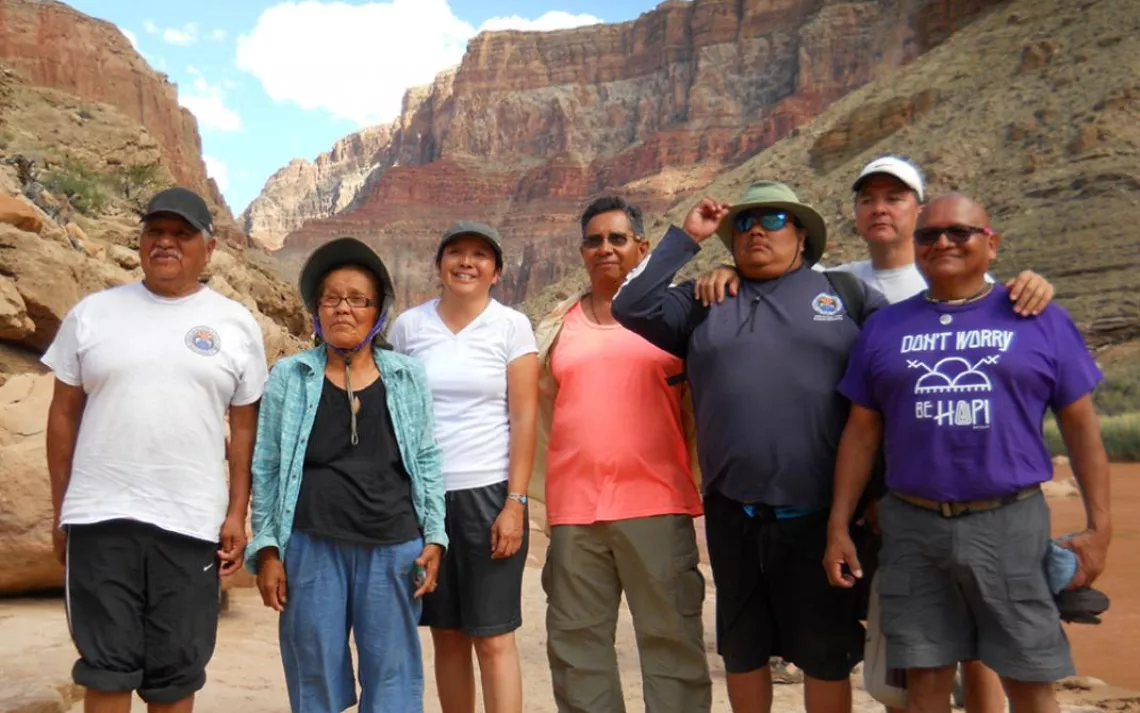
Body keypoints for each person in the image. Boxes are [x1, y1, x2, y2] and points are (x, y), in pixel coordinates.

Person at [691, 155, 1057, 713]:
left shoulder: (961, 276)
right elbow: (857, 404)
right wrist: (729, 273)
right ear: (856, 214)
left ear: (919, 209)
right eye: (868, 200)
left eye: (896, 199)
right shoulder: (846, 284)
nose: (881, 210)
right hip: (880, 504)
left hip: (954, 499)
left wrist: (1032, 284)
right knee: (907, 645)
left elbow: (992, 315)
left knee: (980, 648)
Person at [823, 193, 1112, 713]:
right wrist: (839, 524)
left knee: (1029, 676)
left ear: (992, 244)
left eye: (959, 232)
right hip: (912, 526)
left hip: (1010, 523)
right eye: (929, 235)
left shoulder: (1037, 315)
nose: (942, 243)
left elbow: (1081, 425)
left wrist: (1100, 527)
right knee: (925, 678)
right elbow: (861, 433)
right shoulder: (885, 327)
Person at [612, 180, 886, 713]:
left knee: (825, 654)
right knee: (743, 651)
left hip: (823, 515)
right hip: (733, 513)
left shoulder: (844, 296)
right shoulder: (704, 299)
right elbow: (631, 305)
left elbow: (894, 374)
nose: (756, 229)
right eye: (744, 222)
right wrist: (689, 238)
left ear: (802, 236)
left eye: (774, 220)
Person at [42, 186, 268, 713]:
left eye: (182, 234)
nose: (166, 243)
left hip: (191, 522)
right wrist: (62, 511)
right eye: (155, 232)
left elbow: (244, 432)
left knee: (175, 676)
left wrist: (237, 513)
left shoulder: (235, 324)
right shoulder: (94, 313)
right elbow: (63, 416)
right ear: (141, 242)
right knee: (106, 671)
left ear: (208, 248)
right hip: (100, 518)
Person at [244, 236, 447, 713]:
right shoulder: (290, 376)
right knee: (313, 670)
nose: (343, 309)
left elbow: (427, 457)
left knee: (392, 673)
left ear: (378, 312)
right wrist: (268, 549)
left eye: (359, 300)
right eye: (332, 298)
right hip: (312, 546)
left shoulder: (405, 376)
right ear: (316, 309)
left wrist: (434, 535)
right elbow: (267, 466)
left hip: (393, 545)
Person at [531, 196, 710, 712]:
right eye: (594, 240)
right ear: (582, 251)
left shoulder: (678, 318)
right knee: (577, 651)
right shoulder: (557, 325)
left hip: (656, 504)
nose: (605, 248)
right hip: (574, 515)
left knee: (672, 646)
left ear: (643, 248)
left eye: (617, 238)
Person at [389, 221, 539, 713]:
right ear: (439, 265)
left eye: (480, 255)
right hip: (425, 500)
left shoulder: (511, 326)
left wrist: (515, 503)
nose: (466, 263)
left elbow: (523, 417)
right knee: (447, 634)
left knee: (493, 637)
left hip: (489, 495)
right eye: (455, 253)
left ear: (496, 271)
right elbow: (395, 411)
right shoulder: (410, 327)